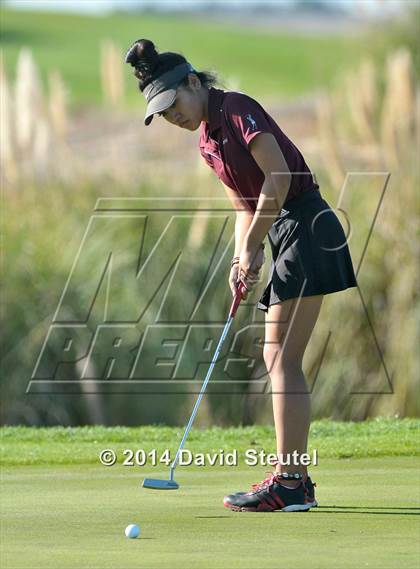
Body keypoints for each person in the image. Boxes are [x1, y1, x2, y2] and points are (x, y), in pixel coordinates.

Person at [125, 39, 358, 512]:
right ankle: (297, 480)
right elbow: (243, 208)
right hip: (286, 232)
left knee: (280, 357)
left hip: (307, 224)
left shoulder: (235, 109)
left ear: (193, 82)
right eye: (163, 114)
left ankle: (290, 481)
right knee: (278, 355)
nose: (174, 118)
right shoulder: (207, 144)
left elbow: (279, 180)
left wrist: (254, 246)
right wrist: (240, 259)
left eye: (174, 105)